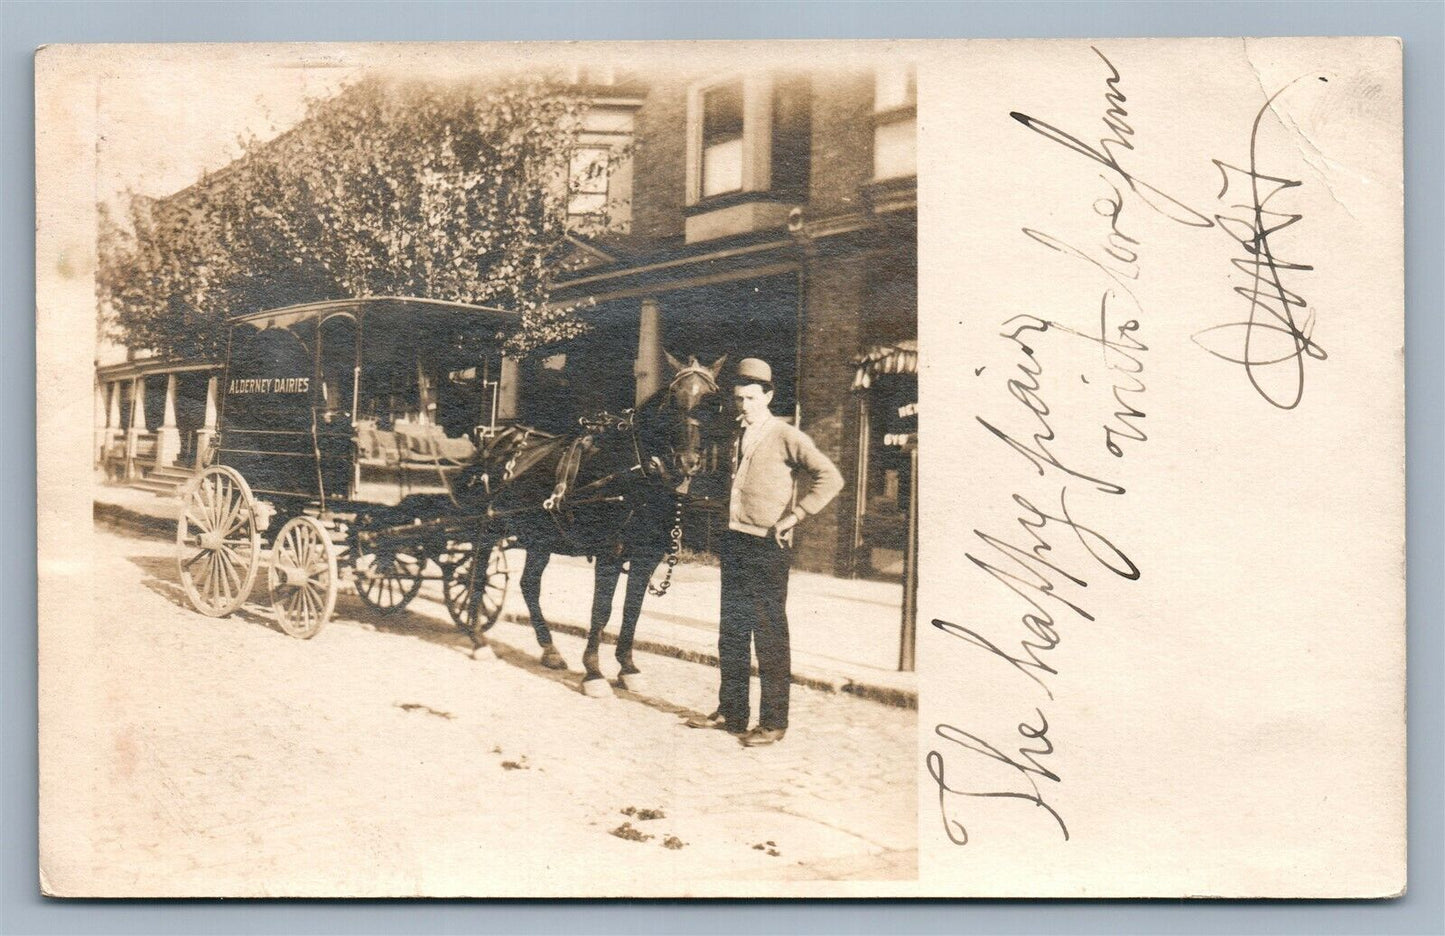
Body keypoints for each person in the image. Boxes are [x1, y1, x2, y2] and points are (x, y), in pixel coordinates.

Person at [686, 358, 843, 747]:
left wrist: (796, 515)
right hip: (735, 539)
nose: (744, 406)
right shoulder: (734, 433)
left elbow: (831, 477)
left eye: (752, 398)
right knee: (732, 630)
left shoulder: (786, 435)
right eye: (739, 398)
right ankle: (733, 712)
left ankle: (773, 722)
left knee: (769, 634)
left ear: (768, 396)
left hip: (767, 545)